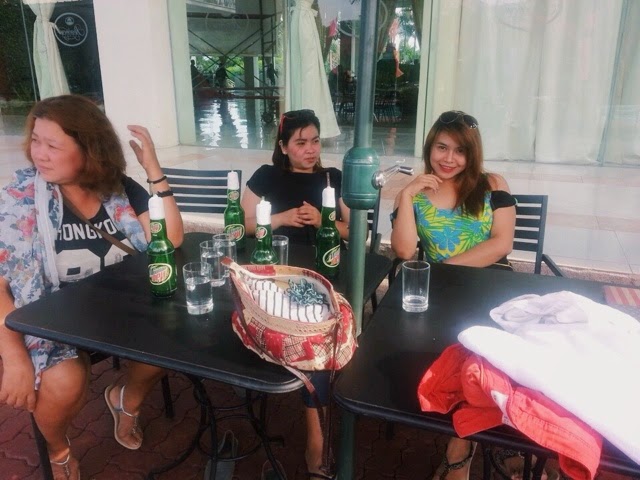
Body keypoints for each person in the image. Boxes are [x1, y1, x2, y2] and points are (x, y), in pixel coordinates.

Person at [0, 94, 184, 480]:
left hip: (119, 309)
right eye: (36, 140)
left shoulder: (117, 189)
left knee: (170, 340)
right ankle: (59, 449)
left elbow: (171, 238)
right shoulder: (18, 201)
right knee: (65, 380)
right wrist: (14, 357)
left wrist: (152, 168)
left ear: (89, 150)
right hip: (51, 318)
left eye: (53, 145)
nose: (39, 154)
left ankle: (125, 399)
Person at [390, 110, 516, 479]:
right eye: (441, 148)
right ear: (429, 148)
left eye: (460, 151)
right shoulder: (415, 192)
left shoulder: (492, 183)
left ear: (472, 154)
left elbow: (501, 244)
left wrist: (445, 268)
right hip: (443, 293)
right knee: (457, 354)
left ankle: (458, 454)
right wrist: (407, 195)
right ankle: (465, 447)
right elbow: (404, 251)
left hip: (492, 285)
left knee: (480, 356)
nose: (449, 158)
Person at [241, 109, 350, 478]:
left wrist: (323, 220)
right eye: (301, 142)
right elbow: (241, 225)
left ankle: (316, 437)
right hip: (275, 276)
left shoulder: (332, 177)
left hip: (325, 276)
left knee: (317, 340)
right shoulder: (267, 176)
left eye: (315, 141)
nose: (311, 149)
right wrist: (281, 219)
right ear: (284, 146)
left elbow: (356, 231)